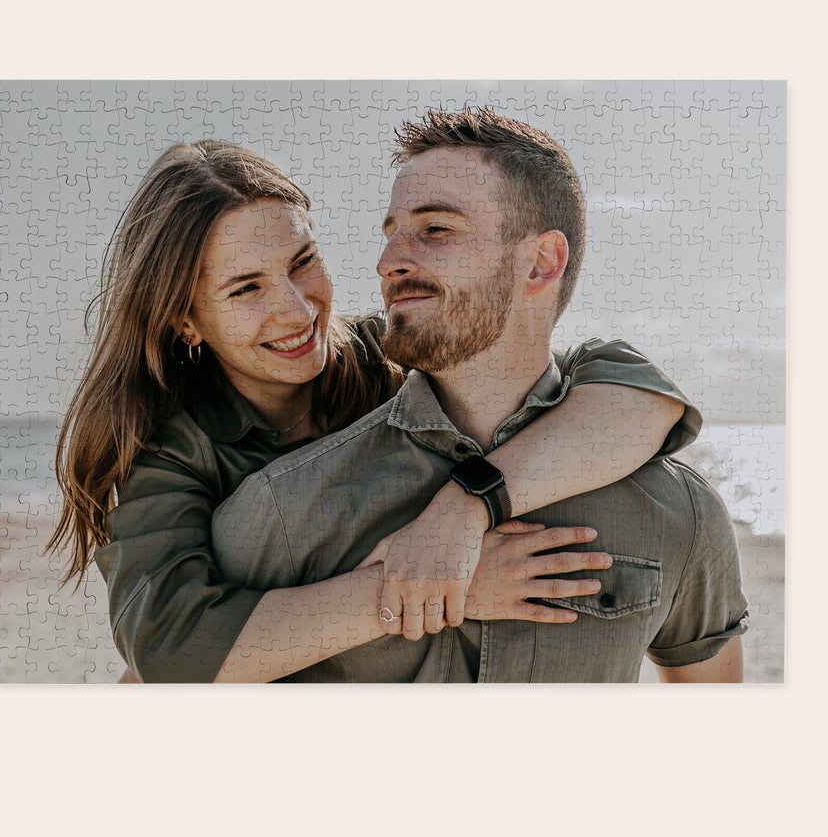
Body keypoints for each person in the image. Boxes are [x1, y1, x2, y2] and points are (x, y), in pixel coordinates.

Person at [51, 139, 698, 683]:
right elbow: (173, 652)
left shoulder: (387, 357)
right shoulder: (168, 450)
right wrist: (437, 587)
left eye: (303, 263)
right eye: (246, 288)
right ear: (186, 320)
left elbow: (636, 394)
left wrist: (464, 510)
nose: (300, 311)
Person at [210, 110, 748, 683]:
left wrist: (468, 505)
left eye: (435, 229)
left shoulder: (680, 510)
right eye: (390, 231)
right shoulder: (282, 509)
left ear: (541, 263)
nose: (388, 261)